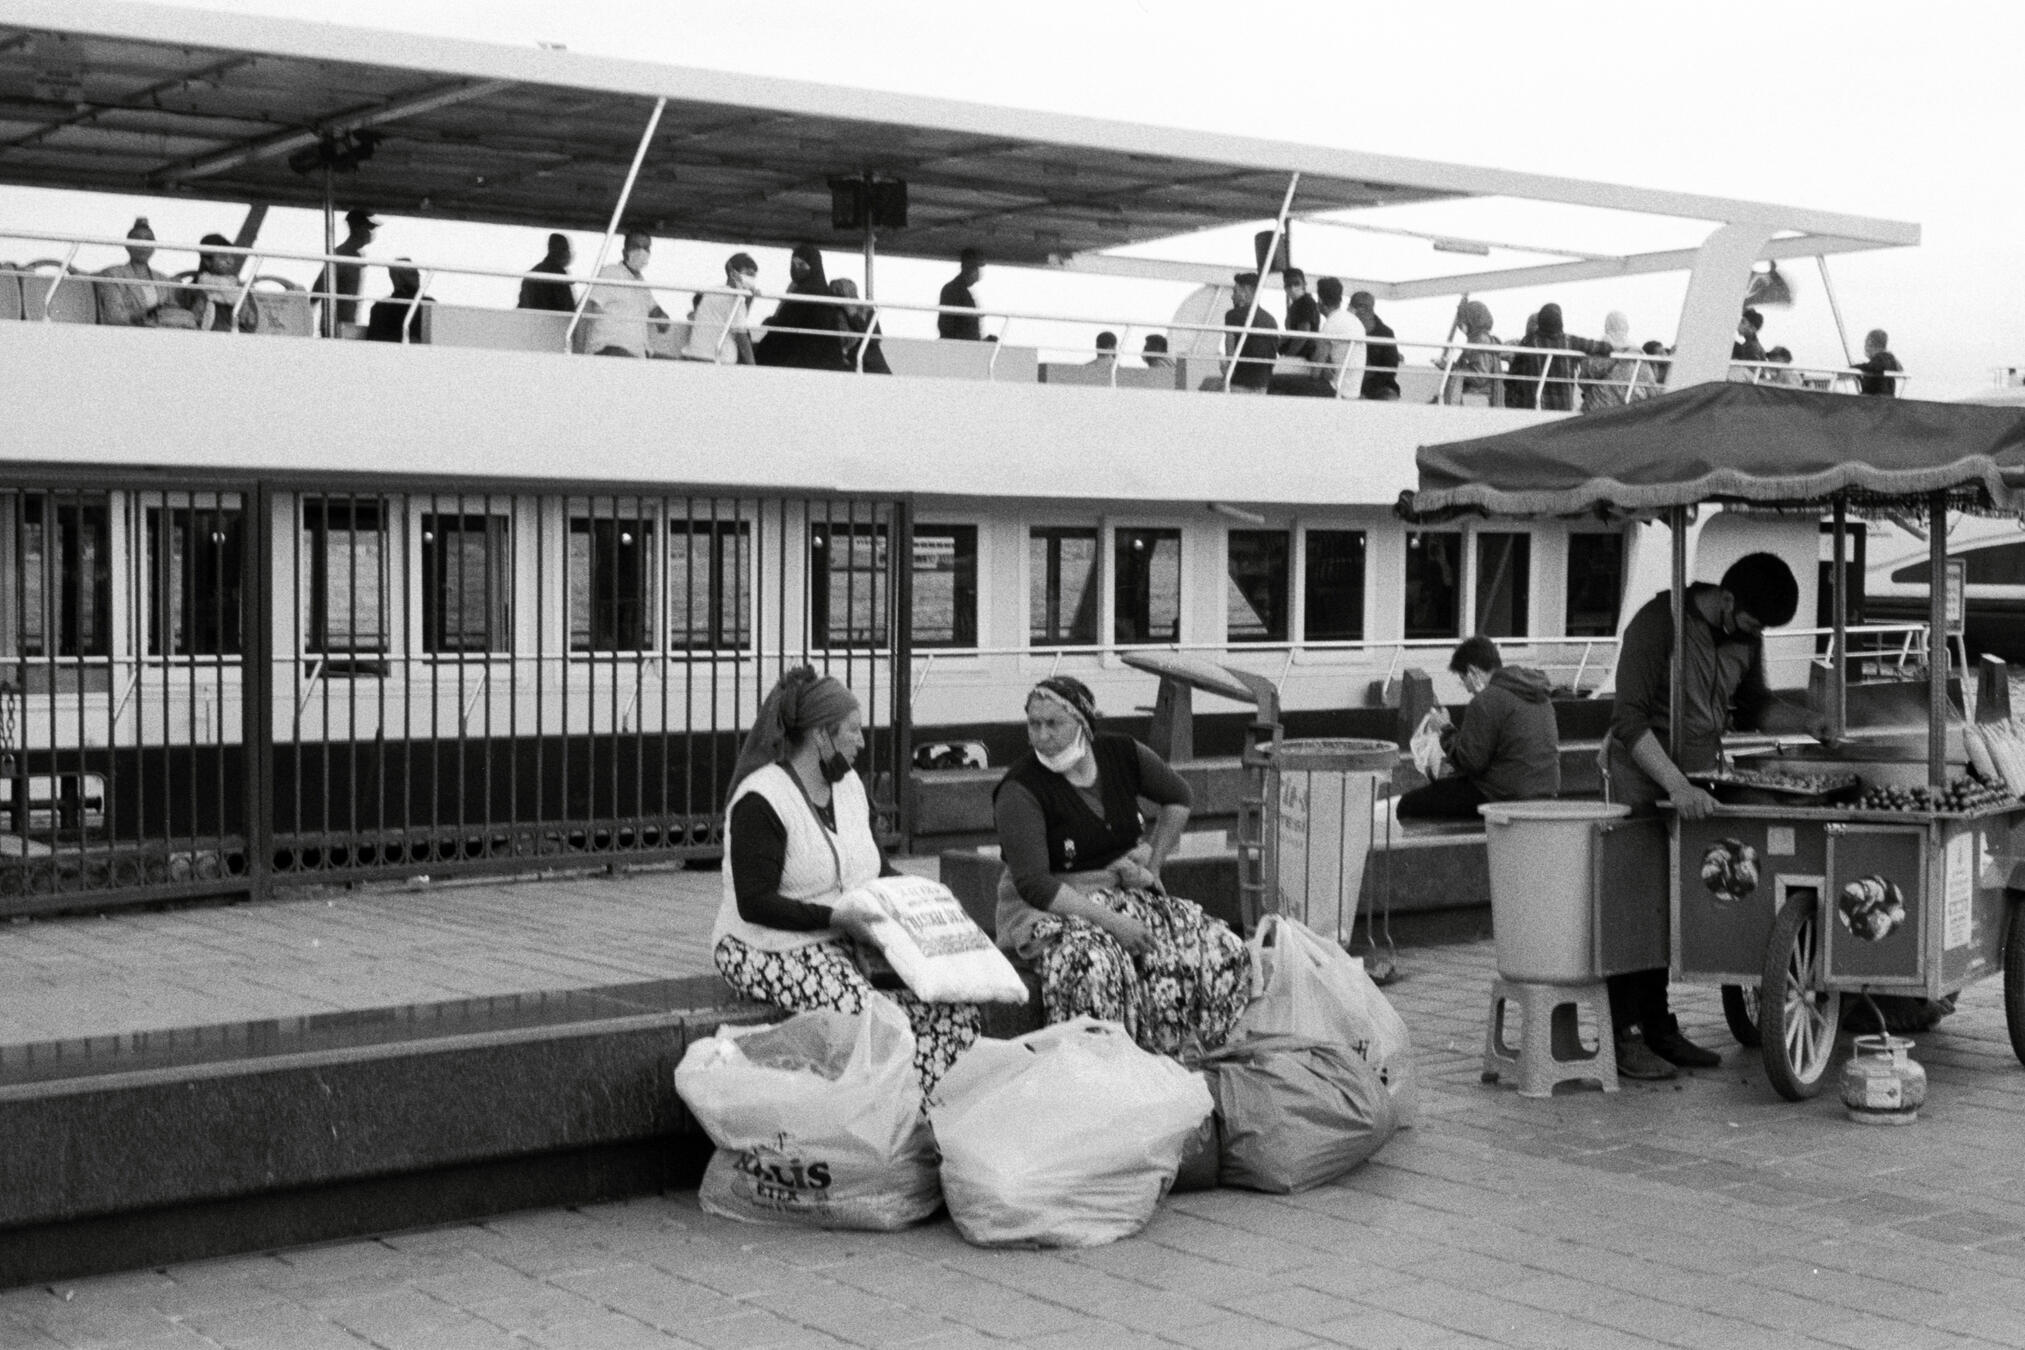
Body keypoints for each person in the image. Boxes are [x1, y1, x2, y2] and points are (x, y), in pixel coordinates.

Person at [1604, 552, 1833, 1080]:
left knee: (1672, 905)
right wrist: (1674, 783)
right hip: (1645, 781)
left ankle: (1661, 1027)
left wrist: (1807, 721)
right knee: (1637, 904)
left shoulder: (1747, 637)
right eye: (1753, 623)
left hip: (1699, 785)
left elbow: (1755, 705)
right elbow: (1628, 722)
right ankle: (1626, 1034)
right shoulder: (1656, 625)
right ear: (1728, 600)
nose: (1756, 636)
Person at [714, 667, 981, 1093]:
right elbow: (755, 902)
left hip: (838, 941)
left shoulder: (849, 787)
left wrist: (930, 902)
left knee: (957, 1014)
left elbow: (876, 869)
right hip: (763, 945)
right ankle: (896, 1122)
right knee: (869, 1022)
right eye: (852, 731)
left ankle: (915, 1122)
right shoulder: (761, 799)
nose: (861, 742)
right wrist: (838, 919)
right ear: (821, 735)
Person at [992, 677, 1251, 1057]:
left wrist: (1154, 862)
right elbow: (1035, 885)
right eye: (1034, 725)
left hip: (1123, 891)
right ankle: (1101, 1071)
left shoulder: (1121, 754)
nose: (1042, 736)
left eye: (1053, 724)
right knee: (1096, 964)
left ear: (1082, 722)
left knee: (1221, 948)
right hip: (1051, 908)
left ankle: (1195, 1056)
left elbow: (1178, 797)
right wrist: (1113, 924)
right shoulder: (1020, 789)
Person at [1397, 636, 1559, 820]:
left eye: (1462, 679)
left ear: (1473, 672)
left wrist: (1445, 730)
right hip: (1545, 791)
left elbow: (1471, 763)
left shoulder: (1486, 700)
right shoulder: (1540, 697)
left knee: (1408, 804)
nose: (1466, 688)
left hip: (1503, 797)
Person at [753, 243, 849, 370]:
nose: (796, 268)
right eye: (794, 264)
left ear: (814, 266)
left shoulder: (804, 294)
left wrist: (770, 323)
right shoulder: (824, 294)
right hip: (827, 362)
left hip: (802, 361)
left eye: (801, 264)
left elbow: (785, 325)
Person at [578, 229, 668, 357]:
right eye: (636, 246)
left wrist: (661, 317)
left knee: (679, 365)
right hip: (611, 349)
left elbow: (655, 310)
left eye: (646, 248)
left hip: (640, 353)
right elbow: (585, 310)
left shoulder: (642, 284)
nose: (641, 252)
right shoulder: (611, 273)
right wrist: (578, 355)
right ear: (625, 251)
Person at [94, 217, 188, 328]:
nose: (143, 244)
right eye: (137, 239)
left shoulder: (162, 279)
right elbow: (114, 316)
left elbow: (173, 310)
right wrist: (148, 312)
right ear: (127, 245)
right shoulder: (113, 274)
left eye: (148, 240)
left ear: (154, 246)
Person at [681, 252, 760, 364]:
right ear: (734, 273)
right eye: (748, 274)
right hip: (716, 362)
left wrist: (749, 299)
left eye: (753, 276)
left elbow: (736, 320)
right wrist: (753, 368)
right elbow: (741, 336)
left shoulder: (714, 291)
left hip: (695, 357)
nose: (751, 279)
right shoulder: (734, 297)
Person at [1531, 303, 1612, 412]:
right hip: (1564, 405)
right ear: (1560, 321)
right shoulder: (1570, 341)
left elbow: (1515, 372)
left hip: (1536, 404)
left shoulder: (1530, 342)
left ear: (1541, 320)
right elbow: (1602, 347)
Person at [178, 233, 259, 333]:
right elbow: (188, 321)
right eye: (223, 257)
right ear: (207, 260)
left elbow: (251, 324)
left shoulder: (240, 290)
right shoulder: (194, 290)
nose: (230, 261)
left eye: (231, 256)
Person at [1580, 311, 1657, 412]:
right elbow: (1650, 386)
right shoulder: (1637, 352)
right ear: (1626, 326)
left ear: (1607, 326)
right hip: (1630, 407)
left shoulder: (1597, 349)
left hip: (1598, 406)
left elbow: (1583, 382)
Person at [314, 208, 377, 329]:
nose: (371, 233)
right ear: (358, 228)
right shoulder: (341, 255)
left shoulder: (356, 256)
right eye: (369, 228)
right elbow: (319, 286)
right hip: (335, 325)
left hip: (347, 324)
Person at [1219, 271, 1278, 393]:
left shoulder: (1232, 315)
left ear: (1245, 291)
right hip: (1263, 382)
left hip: (1240, 381)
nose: (1232, 296)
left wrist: (1227, 371)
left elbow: (1230, 348)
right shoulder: (1270, 320)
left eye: (1235, 291)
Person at [1439, 298, 1503, 407]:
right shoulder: (1476, 339)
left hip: (1477, 398)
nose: (1460, 325)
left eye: (1462, 321)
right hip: (1475, 396)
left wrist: (1452, 368)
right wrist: (1448, 365)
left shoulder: (1481, 340)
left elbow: (1480, 377)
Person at [1313, 276, 1366, 397]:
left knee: (1278, 382)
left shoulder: (1330, 325)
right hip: (1353, 390)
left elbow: (1315, 372)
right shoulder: (1354, 320)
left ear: (1320, 301)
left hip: (1338, 390)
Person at [830, 278, 891, 374]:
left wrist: (853, 316)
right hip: (846, 367)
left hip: (873, 367)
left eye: (840, 291)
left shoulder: (866, 310)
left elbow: (875, 338)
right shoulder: (832, 314)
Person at [1348, 291, 1401, 400]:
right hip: (1349, 383)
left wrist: (1366, 390)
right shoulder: (1347, 330)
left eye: (1352, 307)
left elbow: (1389, 370)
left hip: (1379, 387)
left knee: (1389, 397)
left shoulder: (1386, 334)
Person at [365, 259, 433, 343]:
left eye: (417, 273)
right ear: (397, 277)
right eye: (413, 274)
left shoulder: (379, 306)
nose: (418, 276)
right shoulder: (427, 303)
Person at [516, 233, 575, 313]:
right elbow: (567, 308)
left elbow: (521, 306)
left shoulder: (532, 273)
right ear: (564, 252)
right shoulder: (558, 274)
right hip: (551, 322)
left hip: (530, 321)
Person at [937, 248, 984, 340]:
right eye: (976, 268)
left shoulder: (959, 289)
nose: (978, 273)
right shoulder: (953, 290)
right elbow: (946, 324)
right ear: (968, 267)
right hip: (957, 346)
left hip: (964, 345)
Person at [1279, 268, 1321, 363]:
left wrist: (1288, 357)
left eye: (1296, 283)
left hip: (1302, 357)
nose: (1292, 288)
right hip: (1298, 356)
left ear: (1304, 284)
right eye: (1288, 284)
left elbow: (1303, 334)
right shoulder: (1296, 304)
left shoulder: (1305, 303)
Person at [1855, 328, 1903, 396]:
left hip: (1875, 400)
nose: (1865, 347)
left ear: (1870, 342)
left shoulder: (1880, 360)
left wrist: (1858, 368)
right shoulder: (1890, 360)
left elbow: (1875, 367)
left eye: (1865, 343)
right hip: (1888, 399)